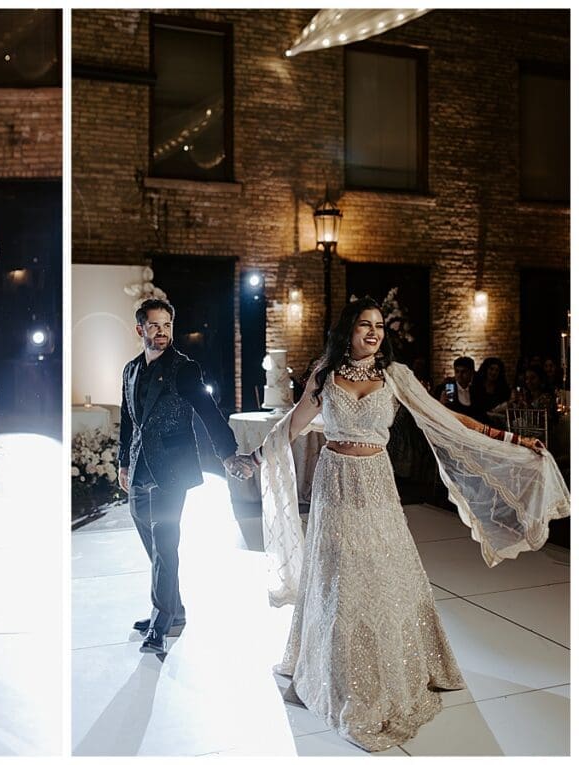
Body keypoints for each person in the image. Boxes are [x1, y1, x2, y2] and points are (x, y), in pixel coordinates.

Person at [232, 297, 570, 752]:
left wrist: (509, 438)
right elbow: (293, 425)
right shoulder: (324, 375)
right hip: (336, 486)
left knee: (384, 572)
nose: (373, 333)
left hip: (375, 483)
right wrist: (254, 459)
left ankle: (398, 664)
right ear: (346, 331)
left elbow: (447, 417)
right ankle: (338, 673)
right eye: (363, 325)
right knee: (340, 578)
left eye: (378, 326)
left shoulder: (395, 376)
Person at [117, 298, 241, 654]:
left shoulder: (184, 368)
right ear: (140, 329)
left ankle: (162, 619)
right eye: (154, 325)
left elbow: (208, 411)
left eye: (167, 325)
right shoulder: (129, 370)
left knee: (165, 541)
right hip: (141, 464)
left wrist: (228, 453)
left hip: (173, 466)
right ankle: (176, 608)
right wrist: (123, 462)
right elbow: (128, 419)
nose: (161, 332)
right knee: (147, 533)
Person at [437, 356, 484, 420]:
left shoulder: (476, 391)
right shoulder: (447, 388)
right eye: (457, 371)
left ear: (471, 373)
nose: (459, 375)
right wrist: (441, 403)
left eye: (463, 372)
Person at [472, 357, 511, 424]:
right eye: (491, 369)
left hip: (497, 424)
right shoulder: (476, 386)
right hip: (479, 422)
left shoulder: (503, 389)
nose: (494, 372)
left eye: (497, 370)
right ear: (486, 369)